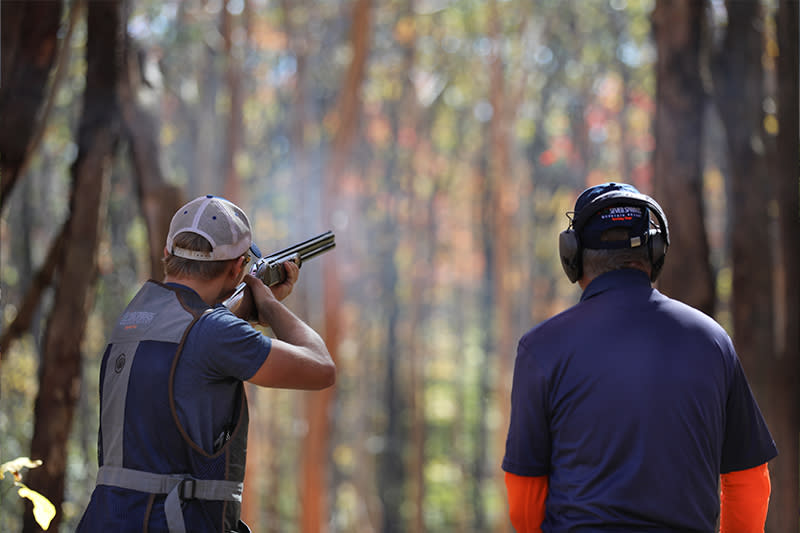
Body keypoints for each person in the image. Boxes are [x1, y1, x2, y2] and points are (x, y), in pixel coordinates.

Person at [502, 182, 777, 532]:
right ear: (657, 252)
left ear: (571, 255)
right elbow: (749, 481)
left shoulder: (540, 348)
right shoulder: (712, 341)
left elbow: (524, 494)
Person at [77, 195, 335, 533]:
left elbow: (191, 349)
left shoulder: (135, 317)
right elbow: (321, 367)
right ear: (236, 268)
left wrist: (243, 312)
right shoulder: (216, 333)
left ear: (167, 254)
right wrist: (269, 305)